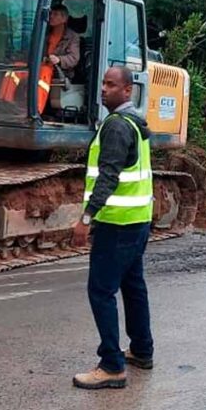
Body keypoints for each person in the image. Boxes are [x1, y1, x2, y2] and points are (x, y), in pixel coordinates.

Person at [73, 66, 155, 390]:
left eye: (111, 84)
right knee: (134, 286)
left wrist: (85, 217)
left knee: (101, 291)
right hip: (137, 221)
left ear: (127, 91)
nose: (103, 89)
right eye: (103, 83)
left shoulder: (118, 127)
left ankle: (111, 365)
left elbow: (108, 176)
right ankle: (141, 349)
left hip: (117, 224)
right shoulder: (135, 123)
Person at [46, 4, 81, 80]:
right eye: (50, 14)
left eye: (55, 14)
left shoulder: (72, 37)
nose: (51, 16)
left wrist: (59, 59)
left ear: (64, 19)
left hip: (61, 75)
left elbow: (74, 58)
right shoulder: (44, 33)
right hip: (41, 69)